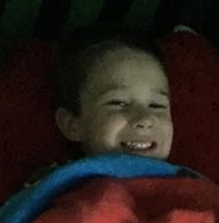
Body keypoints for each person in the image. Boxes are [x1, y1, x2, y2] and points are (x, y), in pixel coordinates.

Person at [53, 27, 174, 160]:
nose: (145, 119)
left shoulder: (185, 172)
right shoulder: (57, 174)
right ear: (72, 125)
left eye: (156, 105)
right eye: (118, 103)